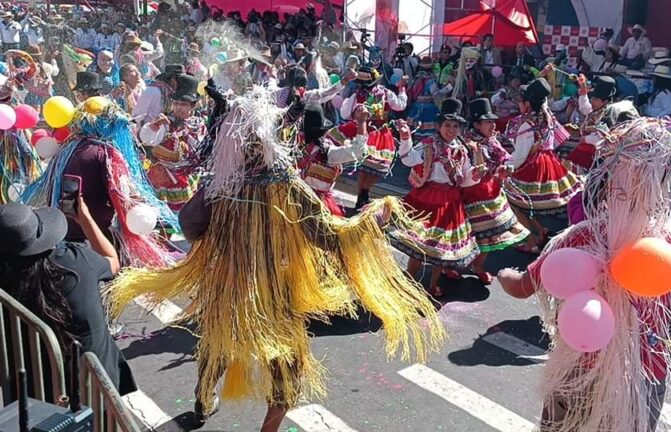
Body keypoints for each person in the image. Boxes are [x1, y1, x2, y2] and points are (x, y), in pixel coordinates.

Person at [105, 87, 445, 432]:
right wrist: (370, 222)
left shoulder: (222, 185)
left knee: (218, 344)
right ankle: (266, 428)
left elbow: (190, 226)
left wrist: (217, 241)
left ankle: (204, 397)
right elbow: (329, 235)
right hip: (278, 288)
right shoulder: (289, 187)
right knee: (287, 361)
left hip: (231, 284)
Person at [497, 117, 671, 432]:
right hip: (641, 379)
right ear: (668, 180)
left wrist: (504, 273)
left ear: (609, 175)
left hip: (577, 372)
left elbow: (521, 287)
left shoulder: (579, 236)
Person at [0, 201, 137, 395]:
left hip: (33, 396)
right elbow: (113, 263)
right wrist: (85, 219)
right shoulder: (76, 261)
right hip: (97, 389)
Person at [21, 99, 176, 267]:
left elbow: (69, 200)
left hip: (64, 236)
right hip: (95, 240)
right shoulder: (105, 153)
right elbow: (122, 197)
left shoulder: (67, 148)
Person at [389, 98, 480, 297]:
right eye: (447, 125)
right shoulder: (428, 145)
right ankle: (409, 277)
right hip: (427, 197)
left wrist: (474, 175)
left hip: (450, 202)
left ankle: (433, 283)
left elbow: (464, 179)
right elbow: (408, 159)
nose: (451, 129)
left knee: (442, 247)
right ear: (439, 126)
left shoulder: (461, 150)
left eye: (455, 126)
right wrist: (405, 138)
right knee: (420, 243)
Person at [503, 78, 581, 252]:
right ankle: (540, 230)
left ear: (528, 103)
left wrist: (504, 165)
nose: (519, 105)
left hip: (532, 166)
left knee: (511, 202)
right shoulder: (546, 115)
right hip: (549, 161)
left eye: (520, 102)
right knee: (526, 203)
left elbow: (520, 155)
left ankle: (531, 241)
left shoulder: (527, 123)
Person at [462, 98, 529, 282]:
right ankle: (448, 267)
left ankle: (477, 265)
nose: (493, 125)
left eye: (493, 121)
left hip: (491, 190)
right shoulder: (466, 143)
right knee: (464, 235)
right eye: (488, 121)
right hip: (470, 193)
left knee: (490, 233)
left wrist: (506, 167)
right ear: (476, 124)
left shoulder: (491, 140)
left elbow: (504, 156)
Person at [339, 66, 408, 210]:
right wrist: (402, 89)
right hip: (379, 133)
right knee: (376, 167)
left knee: (367, 167)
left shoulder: (356, 95)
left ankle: (362, 195)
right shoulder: (385, 92)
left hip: (364, 131)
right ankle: (363, 194)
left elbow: (344, 114)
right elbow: (400, 105)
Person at [145, 75, 207, 212]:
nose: (178, 107)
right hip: (163, 178)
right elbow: (147, 139)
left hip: (187, 176)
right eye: (176, 103)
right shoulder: (165, 121)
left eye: (184, 104)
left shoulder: (199, 124)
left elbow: (198, 149)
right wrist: (154, 126)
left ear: (193, 105)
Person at [298, 103, 369, 216]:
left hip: (305, 205)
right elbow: (357, 151)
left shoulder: (323, 150)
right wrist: (361, 122)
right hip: (306, 204)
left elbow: (357, 151)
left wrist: (361, 122)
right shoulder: (325, 152)